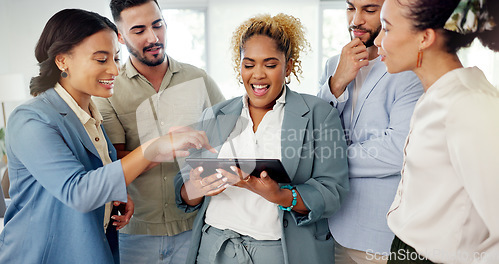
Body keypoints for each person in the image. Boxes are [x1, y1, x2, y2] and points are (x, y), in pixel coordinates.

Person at [0, 9, 215, 264]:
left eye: (115, 57)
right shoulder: (31, 119)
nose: (115, 69)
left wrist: (114, 198)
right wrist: (152, 146)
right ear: (62, 61)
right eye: (102, 60)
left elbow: (96, 179)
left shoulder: (90, 118)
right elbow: (77, 191)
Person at [175, 13, 350, 264]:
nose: (258, 75)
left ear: (288, 66)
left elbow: (333, 192)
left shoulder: (318, 114)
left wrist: (280, 195)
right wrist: (194, 187)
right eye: (249, 65)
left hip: (277, 251)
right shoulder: (215, 114)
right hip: (214, 247)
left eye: (270, 65)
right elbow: (184, 193)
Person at [93, 0, 225, 263]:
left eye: (157, 25)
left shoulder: (199, 79)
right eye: (139, 30)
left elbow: (228, 141)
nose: (153, 38)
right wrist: (166, 146)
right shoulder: (109, 90)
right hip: (134, 234)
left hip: (197, 227)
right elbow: (114, 162)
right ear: (120, 36)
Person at [374, 0, 499, 263]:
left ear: (425, 38)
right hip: (404, 251)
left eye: (386, 28)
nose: (377, 41)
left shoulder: (469, 106)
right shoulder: (437, 96)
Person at [317, 0, 423, 263]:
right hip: (329, 226)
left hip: (380, 235)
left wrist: (327, 159)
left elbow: (398, 150)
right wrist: (337, 83)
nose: (356, 20)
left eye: (370, 10)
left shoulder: (408, 69)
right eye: (351, 8)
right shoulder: (334, 65)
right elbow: (312, 132)